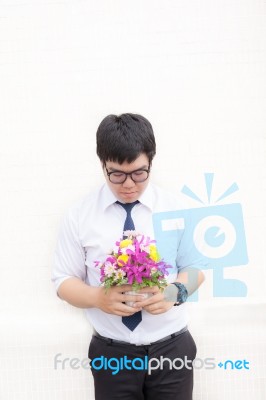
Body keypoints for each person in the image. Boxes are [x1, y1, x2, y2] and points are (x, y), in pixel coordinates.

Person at [52, 113, 206, 400]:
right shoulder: (79, 215)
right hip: (112, 353)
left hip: (171, 348)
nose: (128, 185)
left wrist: (176, 291)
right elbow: (63, 280)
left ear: (151, 162)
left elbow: (196, 267)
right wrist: (99, 298)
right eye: (117, 174)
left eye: (139, 173)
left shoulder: (177, 207)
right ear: (102, 165)